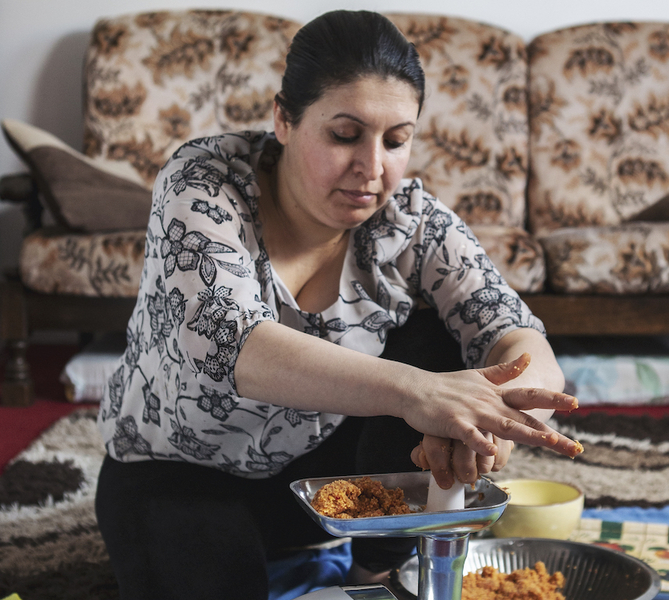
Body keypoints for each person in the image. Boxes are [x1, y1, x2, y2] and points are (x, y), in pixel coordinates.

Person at [94, 9, 581, 599]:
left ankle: (378, 567)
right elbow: (235, 345)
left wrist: (491, 420)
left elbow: (519, 338)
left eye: (396, 141)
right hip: (177, 473)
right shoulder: (203, 182)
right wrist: (419, 393)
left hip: (316, 485)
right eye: (345, 135)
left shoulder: (409, 221)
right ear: (284, 119)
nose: (372, 169)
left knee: (447, 350)